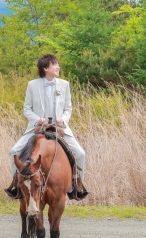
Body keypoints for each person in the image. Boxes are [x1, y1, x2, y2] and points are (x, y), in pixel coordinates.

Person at [5, 54, 89, 200]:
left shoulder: (64, 84)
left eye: (57, 64)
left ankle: (76, 186)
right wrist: (38, 119)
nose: (58, 67)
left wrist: (63, 119)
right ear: (45, 68)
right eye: (55, 64)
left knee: (81, 154)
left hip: (59, 128)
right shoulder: (32, 85)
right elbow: (27, 108)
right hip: (37, 128)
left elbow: (68, 108)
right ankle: (16, 185)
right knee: (14, 150)